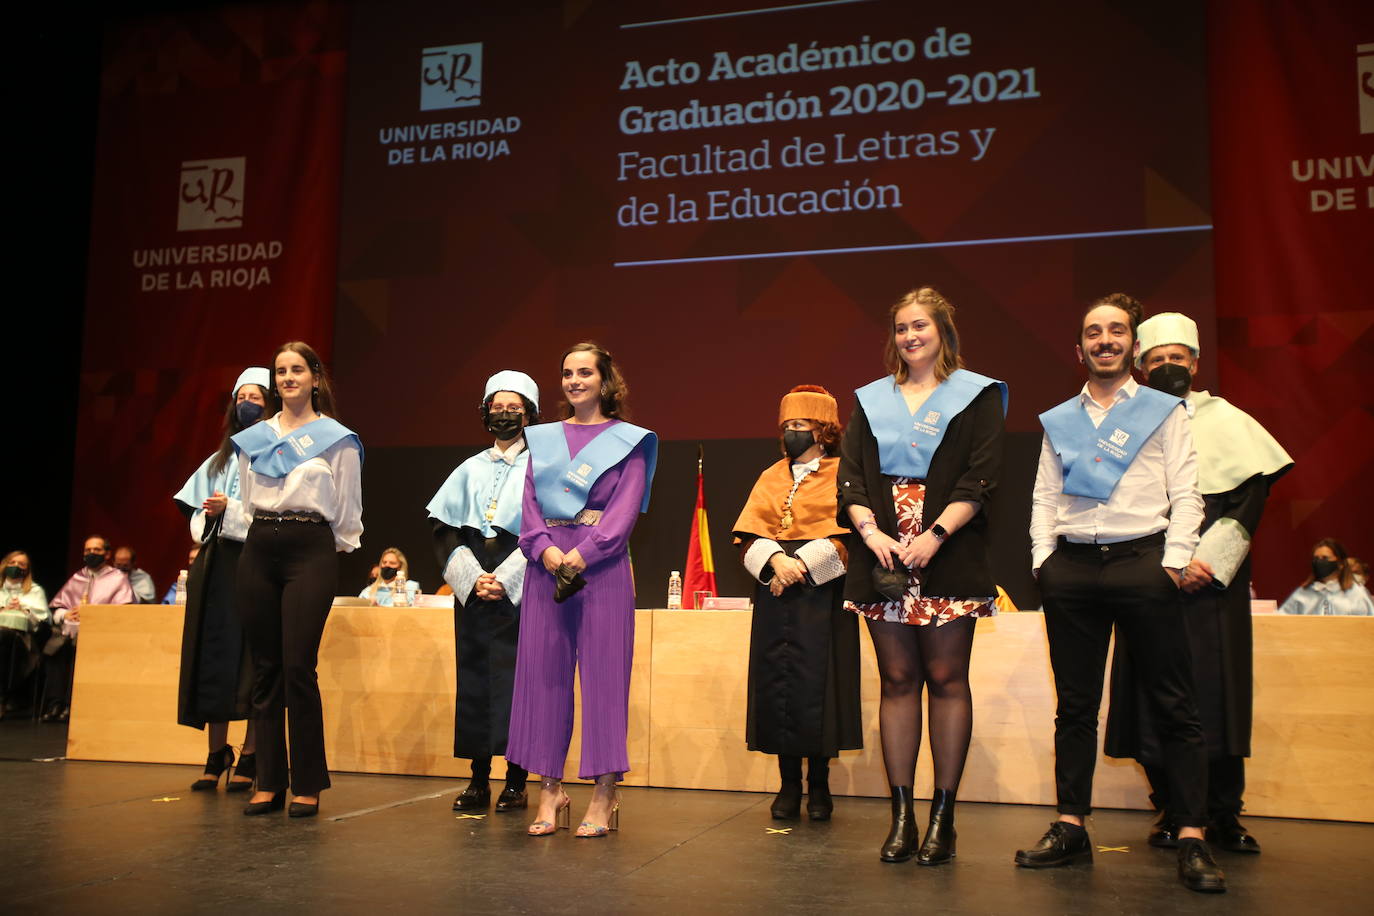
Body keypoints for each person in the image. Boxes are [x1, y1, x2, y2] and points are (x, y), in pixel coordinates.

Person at [1016, 294, 1224, 893]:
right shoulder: (1060, 418)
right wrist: (1043, 561)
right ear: (1077, 347)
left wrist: (1173, 561)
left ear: (1132, 344)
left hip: (1143, 563)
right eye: (1092, 332)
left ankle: (1190, 836)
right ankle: (1071, 825)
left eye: (1115, 331)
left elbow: (1188, 492)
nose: (1104, 341)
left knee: (1174, 704)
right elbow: (1043, 498)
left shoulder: (1164, 410)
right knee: (1075, 707)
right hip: (1073, 570)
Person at [1105, 312, 1293, 854]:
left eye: (1176, 359)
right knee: (1150, 696)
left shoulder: (1229, 420)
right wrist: (1163, 561)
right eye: (1156, 360)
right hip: (1148, 576)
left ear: (1195, 362)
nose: (1167, 367)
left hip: (1212, 583)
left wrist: (1203, 560)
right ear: (1141, 365)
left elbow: (1247, 500)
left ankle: (1224, 813)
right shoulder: (1123, 421)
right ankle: (1170, 807)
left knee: (1217, 692)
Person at [838, 287, 1007, 865]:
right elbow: (852, 477)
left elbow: (982, 478)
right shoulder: (870, 400)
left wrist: (934, 536)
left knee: (946, 677)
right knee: (898, 679)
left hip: (948, 552)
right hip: (882, 554)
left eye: (921, 327)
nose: (911, 336)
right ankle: (903, 817)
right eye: (902, 328)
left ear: (943, 333)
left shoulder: (976, 396)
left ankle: (944, 818)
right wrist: (872, 534)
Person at [506, 342, 657, 838]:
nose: (574, 381)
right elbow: (528, 503)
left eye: (585, 372)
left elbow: (624, 513)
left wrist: (582, 555)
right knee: (544, 679)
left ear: (605, 380)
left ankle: (605, 793)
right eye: (567, 372)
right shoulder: (543, 439)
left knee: (604, 682)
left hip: (602, 568)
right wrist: (545, 551)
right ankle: (550, 789)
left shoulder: (630, 441)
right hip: (546, 565)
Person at [233, 342, 363, 818]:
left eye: (297, 370)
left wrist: (327, 549)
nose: (288, 377)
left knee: (297, 668)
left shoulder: (336, 438)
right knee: (264, 669)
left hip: (311, 548)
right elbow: (247, 500)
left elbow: (348, 511)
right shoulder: (255, 437)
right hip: (260, 545)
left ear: (315, 377)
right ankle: (267, 780)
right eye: (281, 371)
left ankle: (307, 782)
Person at [733, 385, 861, 823]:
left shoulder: (845, 472)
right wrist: (775, 562)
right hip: (776, 591)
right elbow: (748, 533)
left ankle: (819, 785)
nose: (792, 433)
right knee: (778, 686)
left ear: (823, 431)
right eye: (787, 426)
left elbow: (849, 535)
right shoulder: (771, 475)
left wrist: (801, 565)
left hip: (821, 594)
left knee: (816, 687)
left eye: (800, 426)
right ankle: (788, 784)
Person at [427, 370, 540, 814]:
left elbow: (544, 530)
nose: (505, 415)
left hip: (521, 580)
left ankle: (516, 779)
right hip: (474, 584)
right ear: (485, 411)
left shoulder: (542, 468)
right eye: (498, 407)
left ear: (530, 416)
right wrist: (473, 578)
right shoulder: (469, 468)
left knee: (519, 683)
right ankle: (477, 779)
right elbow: (443, 529)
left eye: (515, 409)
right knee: (474, 680)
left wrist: (508, 576)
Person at [172, 367, 271, 793]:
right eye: (241, 396)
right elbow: (193, 510)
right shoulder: (220, 459)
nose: (246, 402)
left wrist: (229, 509)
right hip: (214, 564)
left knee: (252, 657)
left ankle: (250, 751)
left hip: (255, 560)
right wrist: (210, 512)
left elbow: (273, 515)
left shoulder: (274, 454)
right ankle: (216, 752)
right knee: (212, 652)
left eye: (255, 396)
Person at [46, 536, 136, 721]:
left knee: (79, 647)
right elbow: (58, 606)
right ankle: (55, 703)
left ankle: (73, 704)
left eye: (97, 550)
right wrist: (65, 614)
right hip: (71, 631)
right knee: (55, 649)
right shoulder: (78, 577)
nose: (91, 554)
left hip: (103, 636)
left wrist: (92, 613)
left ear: (107, 554)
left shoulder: (118, 579)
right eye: (88, 550)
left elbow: (125, 611)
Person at [1, 551, 50, 718]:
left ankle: (2, 696)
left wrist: (24, 610)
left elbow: (43, 623)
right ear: (4, 565)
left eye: (21, 564)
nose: (16, 566)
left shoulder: (34, 591)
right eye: (12, 562)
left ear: (27, 570)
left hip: (23, 641)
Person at [1279, 538, 1374, 615]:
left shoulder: (1357, 593)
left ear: (1340, 563)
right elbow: (1281, 621)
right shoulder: (1303, 593)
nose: (1319, 562)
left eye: (1325, 558)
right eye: (1316, 558)